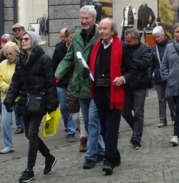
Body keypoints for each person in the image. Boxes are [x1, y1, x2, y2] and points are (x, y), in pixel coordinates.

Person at [55, 5, 105, 169]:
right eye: (81, 18)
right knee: (90, 121)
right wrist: (57, 74)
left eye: (87, 18)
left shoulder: (101, 33)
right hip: (80, 85)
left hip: (96, 84)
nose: (83, 21)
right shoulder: (76, 35)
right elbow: (69, 58)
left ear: (94, 19)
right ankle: (102, 150)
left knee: (91, 121)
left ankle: (90, 156)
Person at [4, 31, 58, 183]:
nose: (23, 41)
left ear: (33, 41)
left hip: (39, 101)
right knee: (29, 134)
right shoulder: (21, 60)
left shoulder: (44, 59)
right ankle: (49, 157)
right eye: (22, 39)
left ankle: (30, 169)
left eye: (26, 39)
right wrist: (9, 99)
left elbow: (50, 82)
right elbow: (16, 82)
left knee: (32, 134)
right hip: (26, 101)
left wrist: (51, 103)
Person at [88, 18, 137, 175]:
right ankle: (115, 156)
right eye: (100, 29)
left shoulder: (122, 47)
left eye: (105, 29)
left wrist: (122, 79)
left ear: (112, 31)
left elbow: (133, 71)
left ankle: (109, 161)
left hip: (115, 95)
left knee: (111, 130)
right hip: (99, 94)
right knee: (103, 129)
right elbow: (91, 67)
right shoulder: (96, 47)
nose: (101, 31)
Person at [122, 28, 152, 149]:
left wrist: (130, 61)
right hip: (127, 85)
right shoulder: (124, 48)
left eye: (129, 41)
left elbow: (145, 64)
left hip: (140, 85)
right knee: (125, 112)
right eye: (126, 40)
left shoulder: (145, 49)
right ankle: (136, 129)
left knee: (138, 112)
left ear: (136, 39)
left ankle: (137, 138)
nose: (127, 43)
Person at [0, 41, 24, 154]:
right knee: (5, 121)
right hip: (6, 97)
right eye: (6, 54)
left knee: (25, 121)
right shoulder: (2, 64)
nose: (8, 56)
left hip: (21, 97)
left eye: (10, 53)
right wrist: (8, 88)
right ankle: (8, 145)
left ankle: (34, 142)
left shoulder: (22, 63)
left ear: (16, 53)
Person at [52, 28, 77, 142]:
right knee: (63, 107)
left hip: (74, 82)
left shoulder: (78, 48)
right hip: (61, 83)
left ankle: (71, 130)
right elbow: (54, 66)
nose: (73, 39)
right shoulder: (59, 49)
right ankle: (68, 126)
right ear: (66, 38)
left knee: (72, 106)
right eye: (71, 37)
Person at [151, 26, 176, 127]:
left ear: (163, 35)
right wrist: (151, 75)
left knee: (170, 97)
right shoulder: (153, 48)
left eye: (158, 37)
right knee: (161, 98)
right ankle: (162, 119)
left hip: (170, 75)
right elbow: (152, 64)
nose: (156, 39)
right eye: (155, 37)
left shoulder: (171, 45)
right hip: (158, 76)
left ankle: (174, 117)